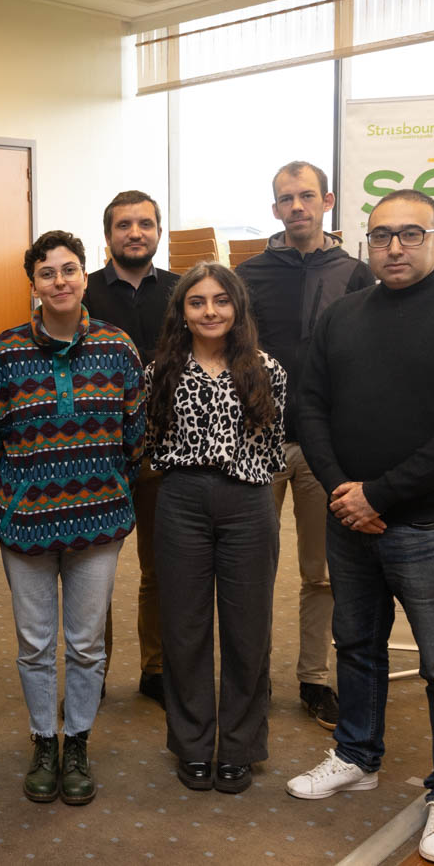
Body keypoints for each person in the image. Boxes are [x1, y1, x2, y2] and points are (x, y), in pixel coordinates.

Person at [290, 189, 434, 866]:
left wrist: (377, 493)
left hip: (430, 524)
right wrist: (341, 491)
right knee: (356, 645)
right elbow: (311, 407)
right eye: (381, 235)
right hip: (349, 519)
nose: (393, 247)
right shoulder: (344, 317)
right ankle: (357, 753)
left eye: (410, 234)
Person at [0, 230, 144, 807]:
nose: (60, 281)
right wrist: (18, 490)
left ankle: (77, 741)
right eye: (47, 273)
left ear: (84, 273)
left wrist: (104, 482)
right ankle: (42, 741)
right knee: (34, 643)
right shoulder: (6, 351)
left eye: (69, 269)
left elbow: (134, 434)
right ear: (35, 284)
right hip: (25, 524)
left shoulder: (118, 347)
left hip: (98, 521)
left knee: (86, 644)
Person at [235, 161, 374, 731]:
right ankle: (251, 678)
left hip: (324, 448)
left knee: (320, 574)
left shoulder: (357, 274)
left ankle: (314, 679)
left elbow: (370, 359)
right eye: (286, 199)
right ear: (274, 210)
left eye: (307, 196)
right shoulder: (248, 274)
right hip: (258, 442)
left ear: (328, 200)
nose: (297, 206)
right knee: (251, 570)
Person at [144, 263, 286, 795]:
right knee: (184, 629)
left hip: (249, 502)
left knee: (249, 631)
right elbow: (152, 440)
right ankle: (193, 745)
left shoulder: (267, 369)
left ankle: (241, 747)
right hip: (180, 500)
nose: (210, 312)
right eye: (197, 302)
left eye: (220, 301)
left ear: (237, 307)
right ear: (182, 311)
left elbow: (273, 450)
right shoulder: (159, 368)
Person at [82, 189, 179, 709]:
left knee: (159, 569)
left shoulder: (185, 291)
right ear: (109, 236)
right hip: (101, 456)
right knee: (92, 572)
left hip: (165, 453)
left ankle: (156, 668)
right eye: (124, 225)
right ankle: (91, 669)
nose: (135, 232)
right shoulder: (84, 291)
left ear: (158, 232)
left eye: (144, 224)